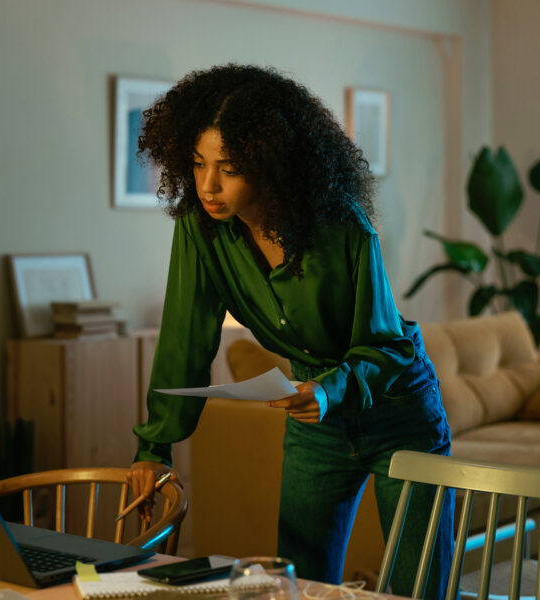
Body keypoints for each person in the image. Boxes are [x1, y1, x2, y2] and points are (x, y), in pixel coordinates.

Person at [126, 64, 454, 600]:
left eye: (228, 168)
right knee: (297, 587)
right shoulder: (199, 229)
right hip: (313, 422)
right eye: (197, 163)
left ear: (270, 163)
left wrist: (332, 390)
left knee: (416, 590)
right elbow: (185, 338)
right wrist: (154, 449)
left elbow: (388, 344)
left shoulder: (343, 225)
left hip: (399, 414)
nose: (207, 185)